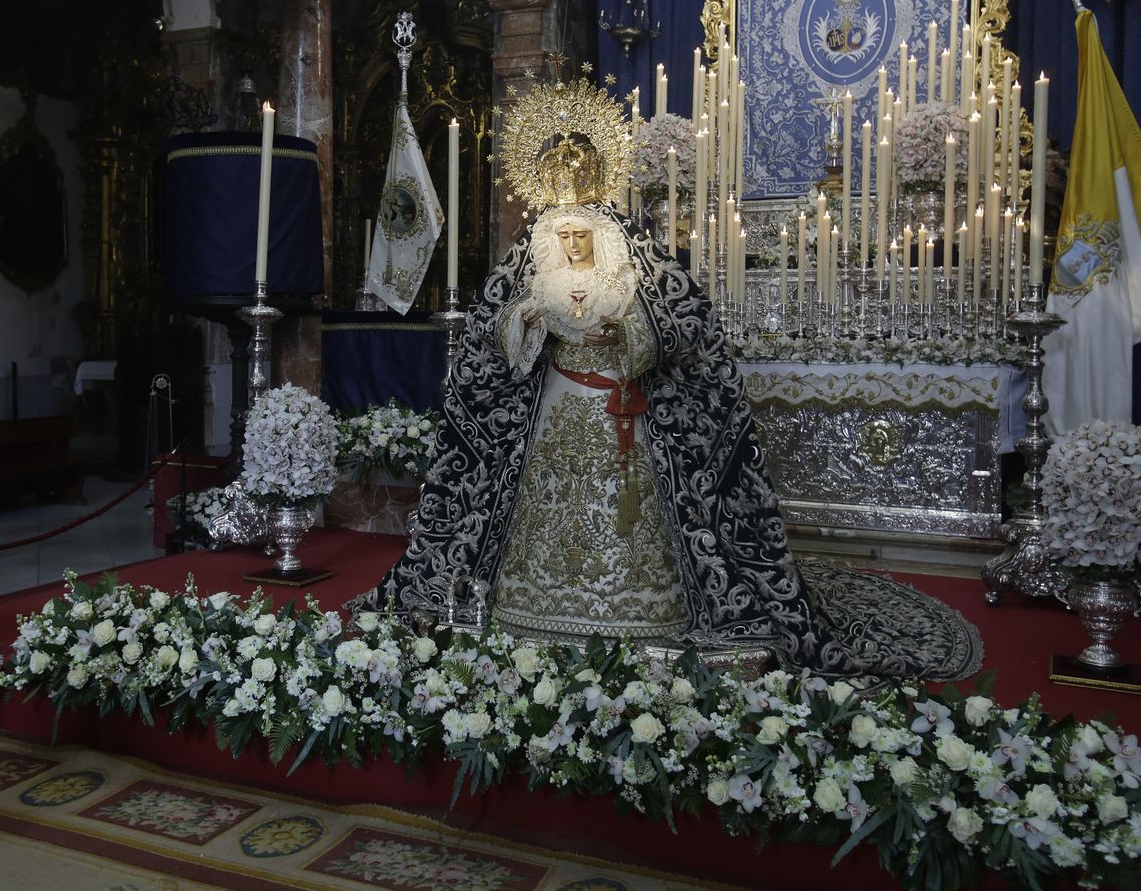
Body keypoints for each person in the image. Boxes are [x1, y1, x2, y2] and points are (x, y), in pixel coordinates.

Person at [353, 113, 982, 680]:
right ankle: (525, 603)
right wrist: (528, 322)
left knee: (633, 507)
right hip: (554, 408)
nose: (573, 241)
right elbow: (496, 330)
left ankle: (645, 606)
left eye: (581, 233)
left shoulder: (632, 247)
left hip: (620, 406)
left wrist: (629, 331)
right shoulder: (531, 251)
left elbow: (681, 321)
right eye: (565, 231)